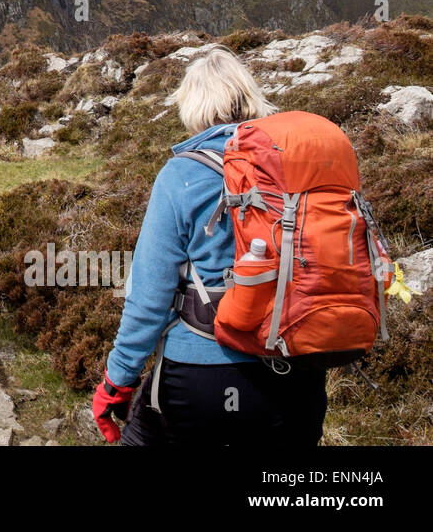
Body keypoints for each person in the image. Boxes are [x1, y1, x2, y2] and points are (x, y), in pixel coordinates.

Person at [93, 45, 329, 445]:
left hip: (203, 375)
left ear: (194, 108)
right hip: (297, 376)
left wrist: (118, 380)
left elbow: (149, 298)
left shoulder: (181, 174)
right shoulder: (301, 164)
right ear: (250, 98)